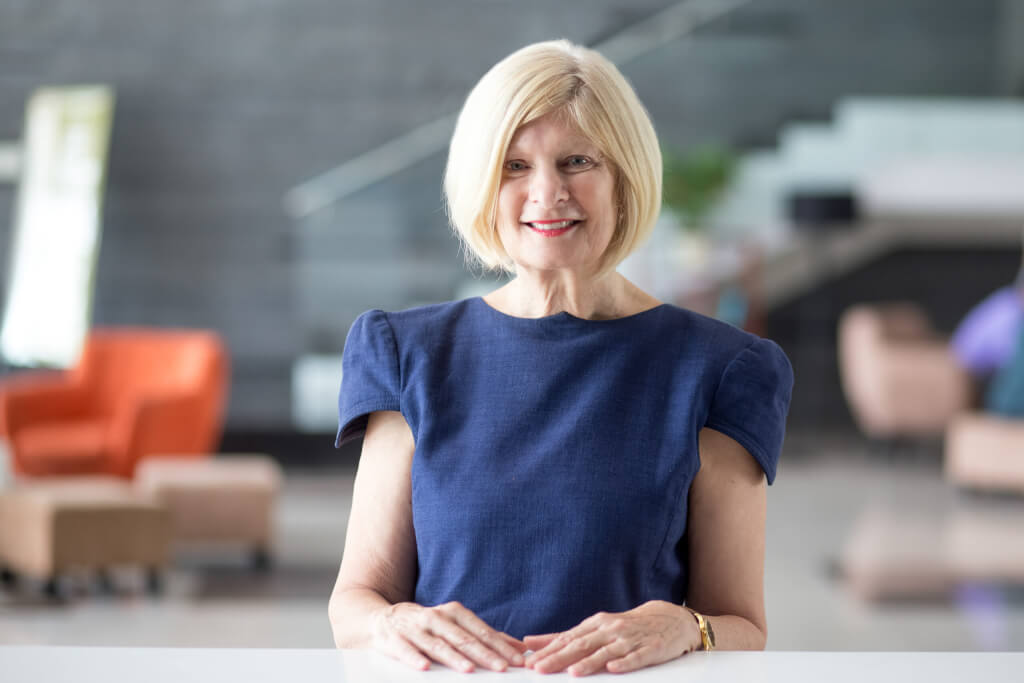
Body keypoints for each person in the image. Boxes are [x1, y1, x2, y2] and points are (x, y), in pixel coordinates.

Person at [328, 39, 794, 676]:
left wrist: (688, 627)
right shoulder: (406, 353)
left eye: (576, 161)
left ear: (623, 178)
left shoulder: (722, 368)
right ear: (483, 185)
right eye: (515, 167)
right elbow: (355, 603)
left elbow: (740, 624)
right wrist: (392, 622)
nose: (547, 193)